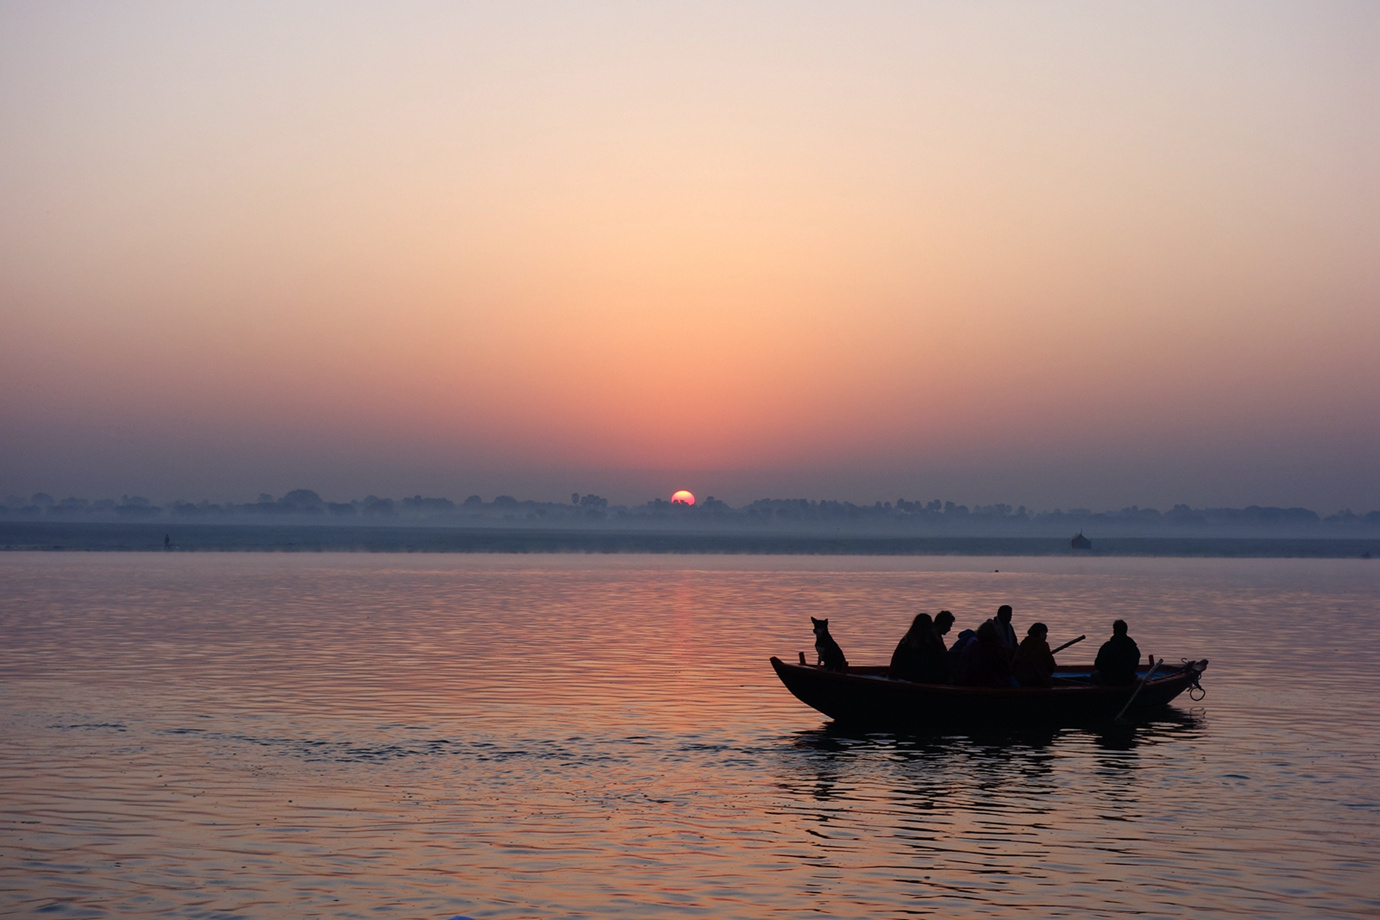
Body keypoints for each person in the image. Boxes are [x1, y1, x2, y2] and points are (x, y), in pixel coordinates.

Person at [889, 613, 951, 683]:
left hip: (904, 676)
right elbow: (941, 661)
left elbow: (896, 660)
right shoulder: (932, 642)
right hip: (925, 678)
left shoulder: (906, 641)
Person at [967, 618, 1015, 687]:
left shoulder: (972, 647)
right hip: (996, 684)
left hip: (975, 683)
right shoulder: (1000, 649)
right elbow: (1007, 670)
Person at [1092, 619, 1141, 685]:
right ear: (1126, 630)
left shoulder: (1107, 647)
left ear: (1114, 631)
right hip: (1127, 680)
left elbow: (1098, 664)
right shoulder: (1132, 647)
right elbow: (1135, 663)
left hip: (1110, 680)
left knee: (1094, 676)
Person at [1013, 622, 1056, 687]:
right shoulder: (1042, 645)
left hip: (1021, 680)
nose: (1046, 636)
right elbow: (1051, 665)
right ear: (1040, 633)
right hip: (1039, 681)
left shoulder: (1024, 643)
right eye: (1044, 633)